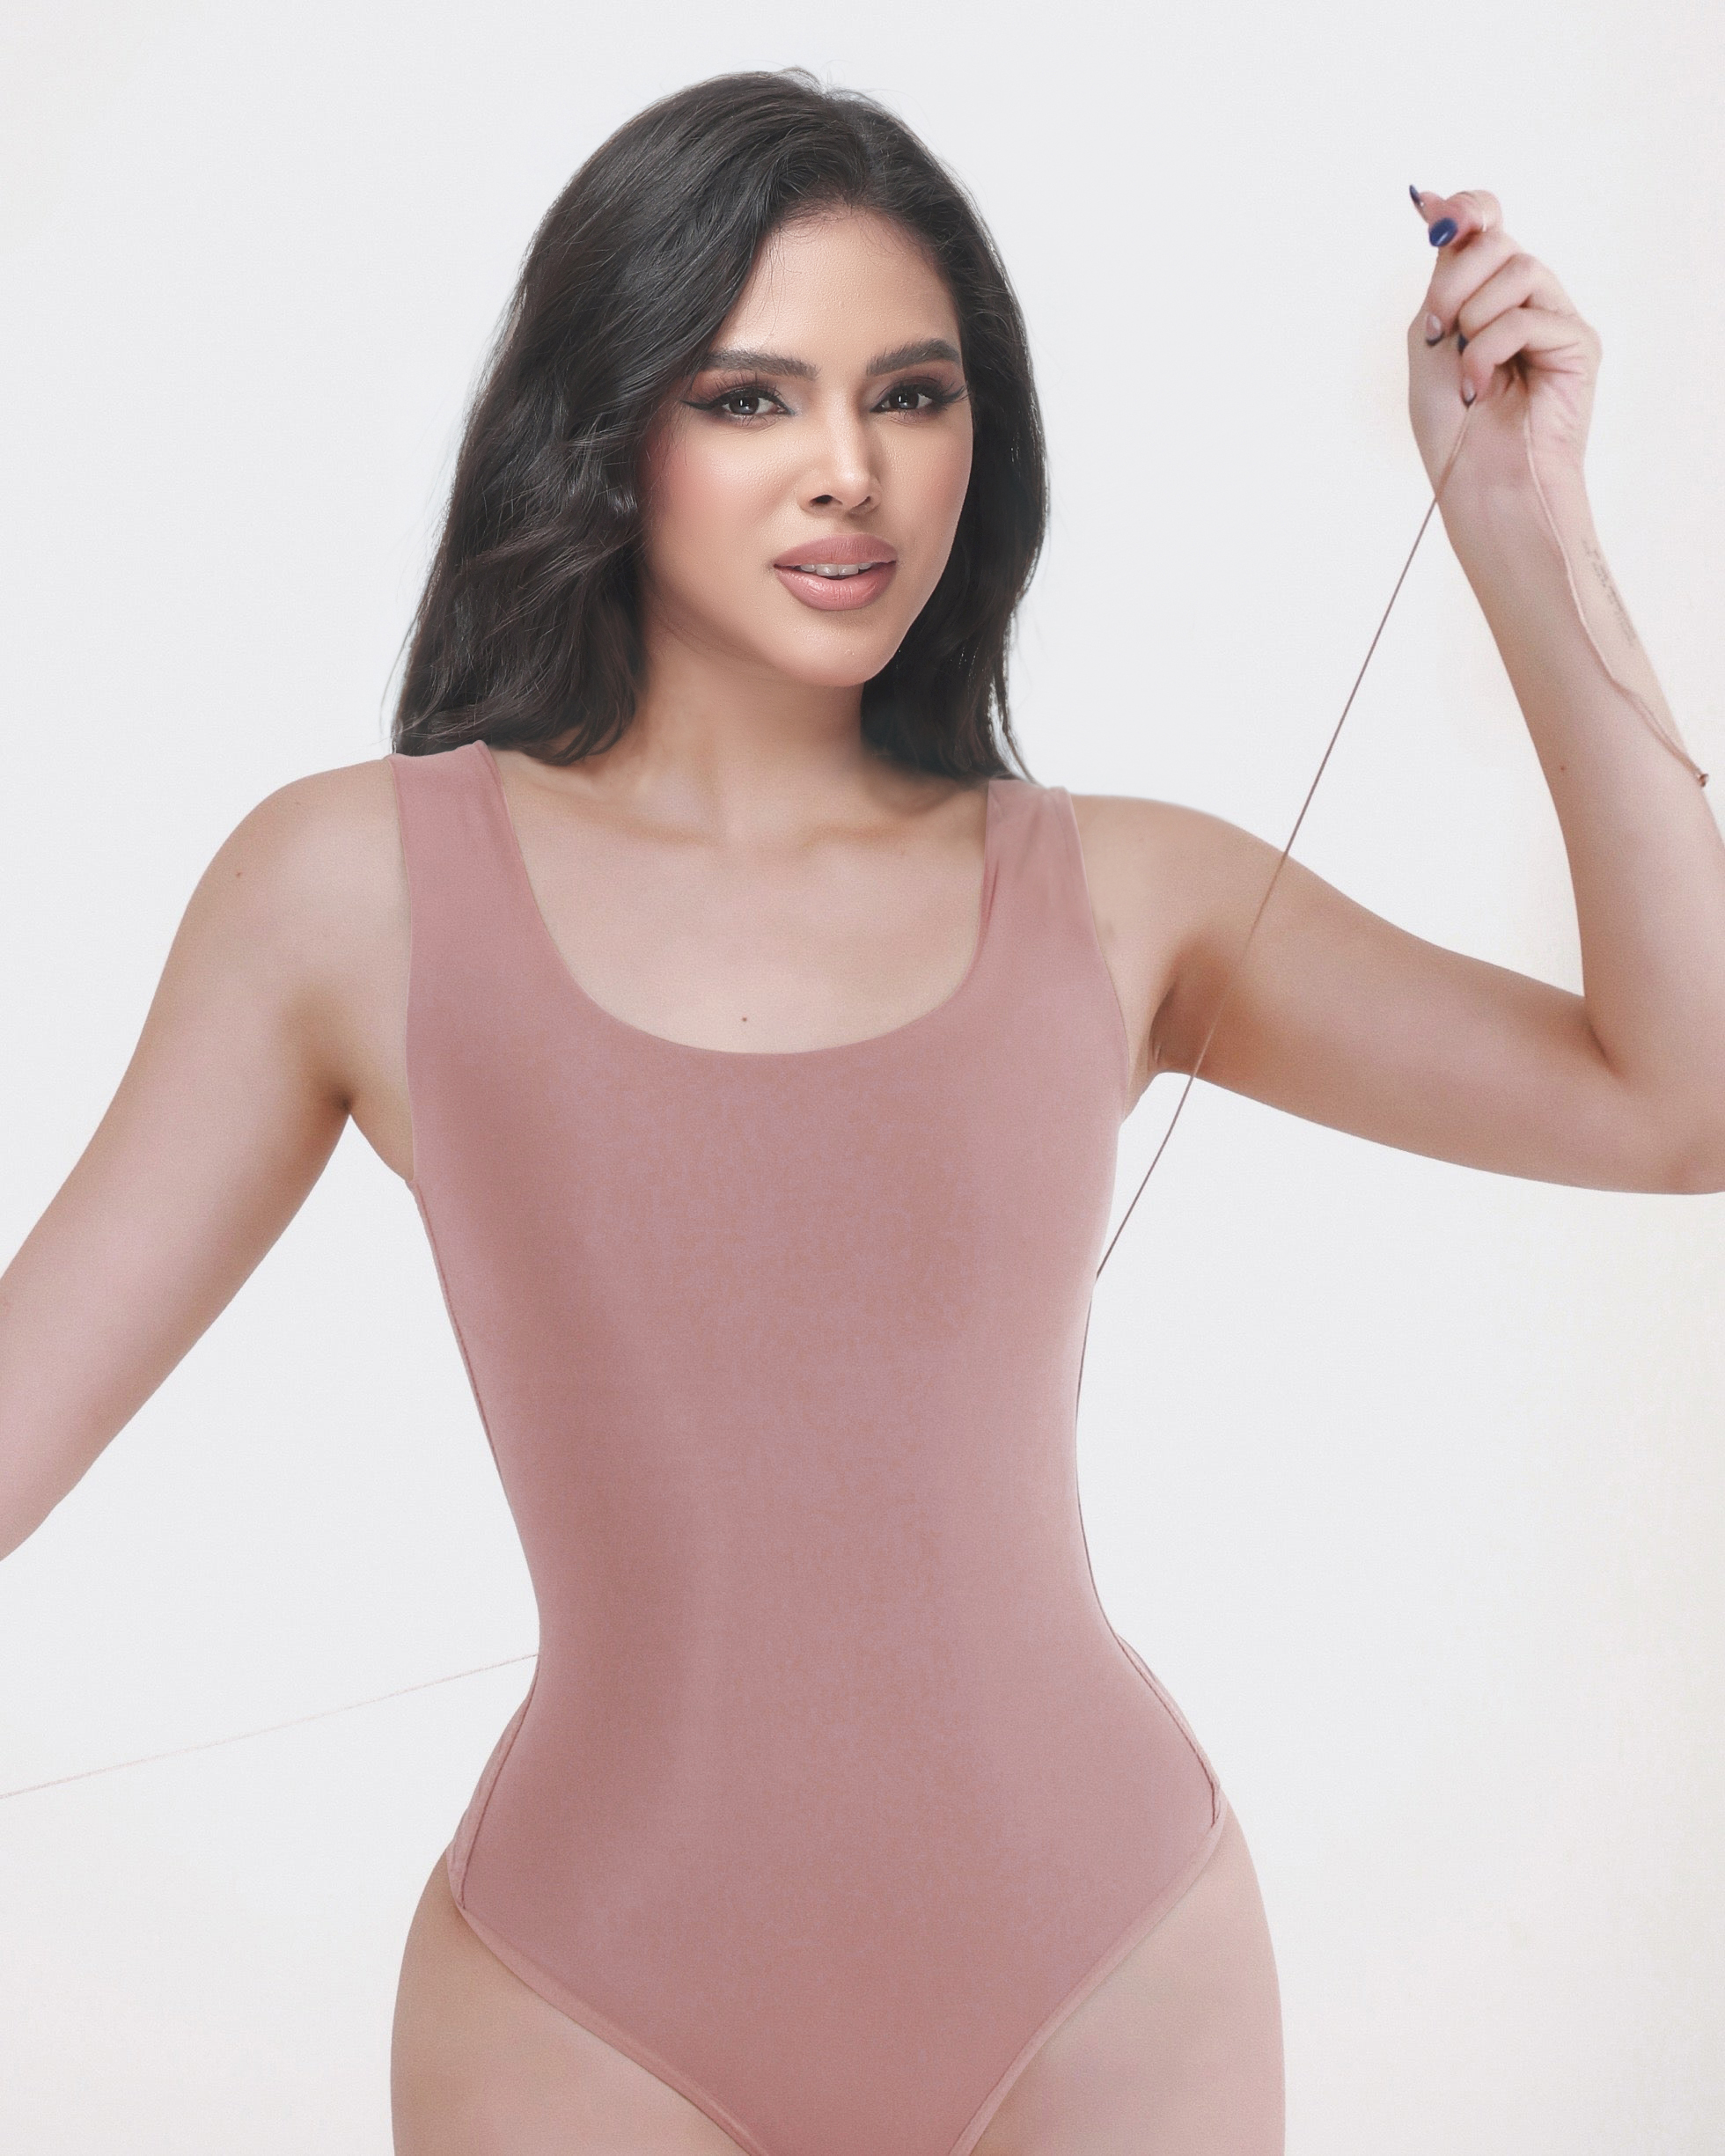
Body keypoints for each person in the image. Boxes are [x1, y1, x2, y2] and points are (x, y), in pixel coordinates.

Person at [3, 66, 1721, 2156]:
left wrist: (1524, 526)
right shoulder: (351, 888)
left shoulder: (1121, 892)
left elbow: (1676, 1101)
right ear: (605, 421)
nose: (851, 471)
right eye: (751, 397)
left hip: (1107, 1971)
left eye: (912, 394)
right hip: (584, 2007)